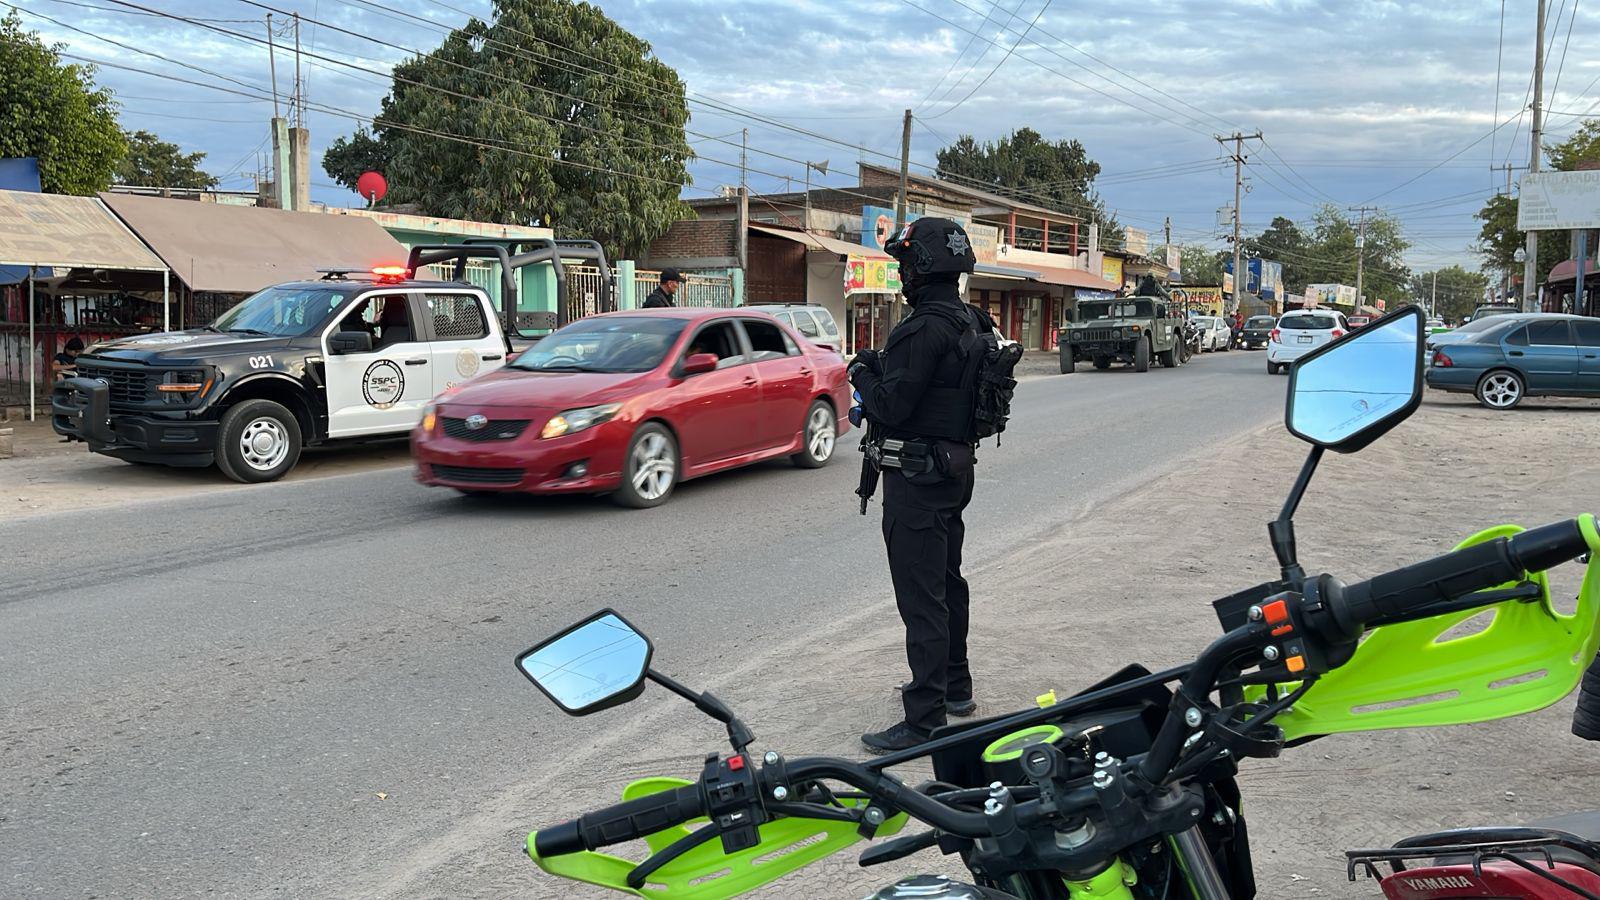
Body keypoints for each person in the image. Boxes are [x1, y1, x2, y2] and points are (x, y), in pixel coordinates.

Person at [849, 217, 985, 753]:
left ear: (923, 268)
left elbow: (889, 404)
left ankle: (925, 717)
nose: (902, 273)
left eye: (906, 263)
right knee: (947, 582)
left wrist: (862, 372)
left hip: (916, 477)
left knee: (921, 595)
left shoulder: (922, 328)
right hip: (952, 471)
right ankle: (956, 687)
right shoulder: (971, 320)